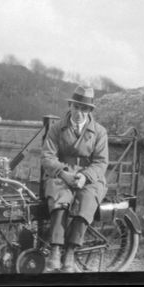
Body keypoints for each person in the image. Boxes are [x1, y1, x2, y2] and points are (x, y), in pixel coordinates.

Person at [41, 85, 109, 273]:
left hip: (89, 176)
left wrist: (84, 177)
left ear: (90, 111)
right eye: (77, 107)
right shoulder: (57, 128)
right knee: (60, 198)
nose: (80, 113)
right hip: (62, 173)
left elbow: (101, 162)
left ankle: (70, 252)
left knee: (86, 201)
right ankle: (55, 250)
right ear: (70, 106)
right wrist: (63, 173)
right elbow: (47, 156)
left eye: (84, 109)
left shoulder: (99, 132)